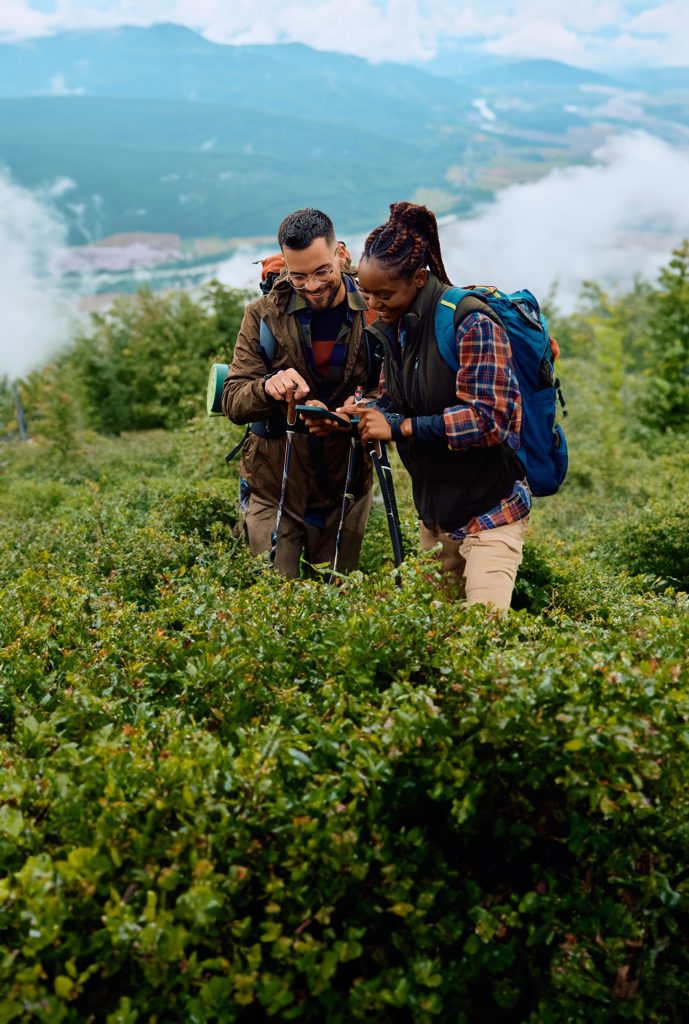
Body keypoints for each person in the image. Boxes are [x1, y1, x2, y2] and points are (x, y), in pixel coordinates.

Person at [339, 201, 530, 611]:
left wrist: (402, 428)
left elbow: (489, 420)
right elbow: (395, 399)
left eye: (384, 294)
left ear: (418, 278)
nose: (374, 303)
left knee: (483, 632)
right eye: (367, 292)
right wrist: (365, 411)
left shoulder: (469, 323)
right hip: (436, 522)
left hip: (492, 514)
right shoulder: (397, 328)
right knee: (436, 642)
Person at [221, 208, 378, 578]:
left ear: (340, 253)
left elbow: (397, 387)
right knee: (276, 604)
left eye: (322, 271)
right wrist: (266, 387)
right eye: (299, 276)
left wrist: (361, 409)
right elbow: (233, 398)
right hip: (273, 485)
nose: (311, 285)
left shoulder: (375, 306)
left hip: (347, 485)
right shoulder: (262, 315)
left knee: (336, 602)